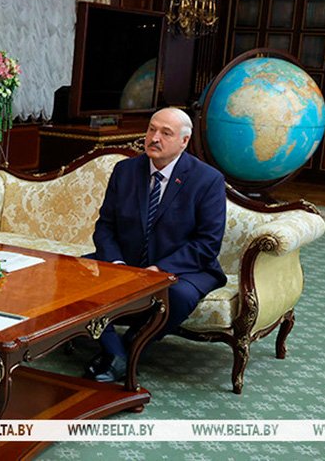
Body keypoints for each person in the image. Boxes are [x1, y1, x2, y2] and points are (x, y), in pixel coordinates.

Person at [86, 107, 226, 382]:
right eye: (152, 129)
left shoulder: (207, 180)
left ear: (184, 141)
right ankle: (116, 354)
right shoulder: (125, 171)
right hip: (126, 261)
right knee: (77, 275)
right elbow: (105, 226)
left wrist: (159, 269)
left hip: (185, 267)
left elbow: (207, 243)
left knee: (179, 295)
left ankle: (130, 348)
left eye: (165, 133)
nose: (154, 138)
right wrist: (117, 264)